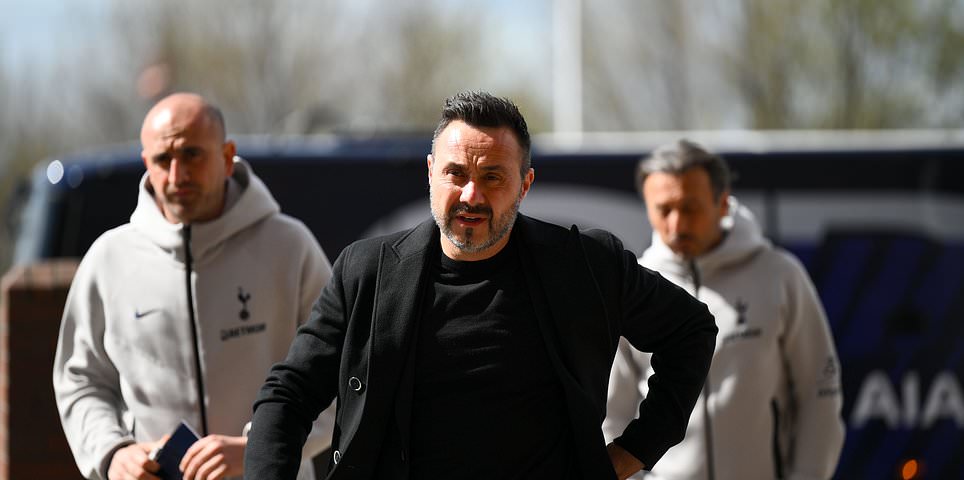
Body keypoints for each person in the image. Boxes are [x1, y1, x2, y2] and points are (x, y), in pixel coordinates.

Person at [244, 91, 718, 480]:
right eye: (456, 174)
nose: (471, 195)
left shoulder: (584, 265)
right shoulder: (366, 270)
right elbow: (288, 394)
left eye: (492, 177)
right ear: (431, 172)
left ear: (525, 184)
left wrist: (635, 450)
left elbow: (691, 330)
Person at [53, 92, 335, 480]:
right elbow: (81, 379)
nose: (177, 175)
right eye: (163, 159)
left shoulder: (289, 246)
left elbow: (338, 371)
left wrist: (259, 448)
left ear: (227, 156)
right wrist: (113, 452)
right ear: (146, 163)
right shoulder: (109, 259)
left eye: (191, 155)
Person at [603, 139, 845, 479]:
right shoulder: (634, 288)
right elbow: (612, 414)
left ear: (722, 203)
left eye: (690, 208)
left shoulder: (779, 275)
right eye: (664, 209)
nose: (677, 224)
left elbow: (819, 396)